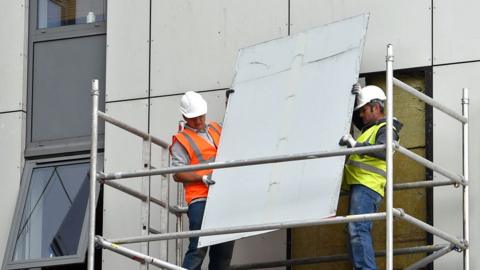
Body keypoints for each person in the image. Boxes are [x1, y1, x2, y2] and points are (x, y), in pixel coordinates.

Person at [339, 84, 403, 270]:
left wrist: (355, 145)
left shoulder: (387, 128)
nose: (361, 115)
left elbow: (385, 151)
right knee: (354, 229)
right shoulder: (370, 128)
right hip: (361, 185)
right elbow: (357, 120)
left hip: (367, 186)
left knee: (358, 229)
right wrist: (359, 95)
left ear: (376, 107)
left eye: (364, 110)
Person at [170, 91, 234, 270]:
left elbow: (235, 128)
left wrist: (231, 104)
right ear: (184, 117)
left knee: (223, 254)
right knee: (198, 250)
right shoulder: (181, 140)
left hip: (223, 197)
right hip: (201, 200)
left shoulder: (215, 129)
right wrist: (202, 177)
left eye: (200, 117)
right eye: (193, 119)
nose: (198, 121)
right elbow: (177, 172)